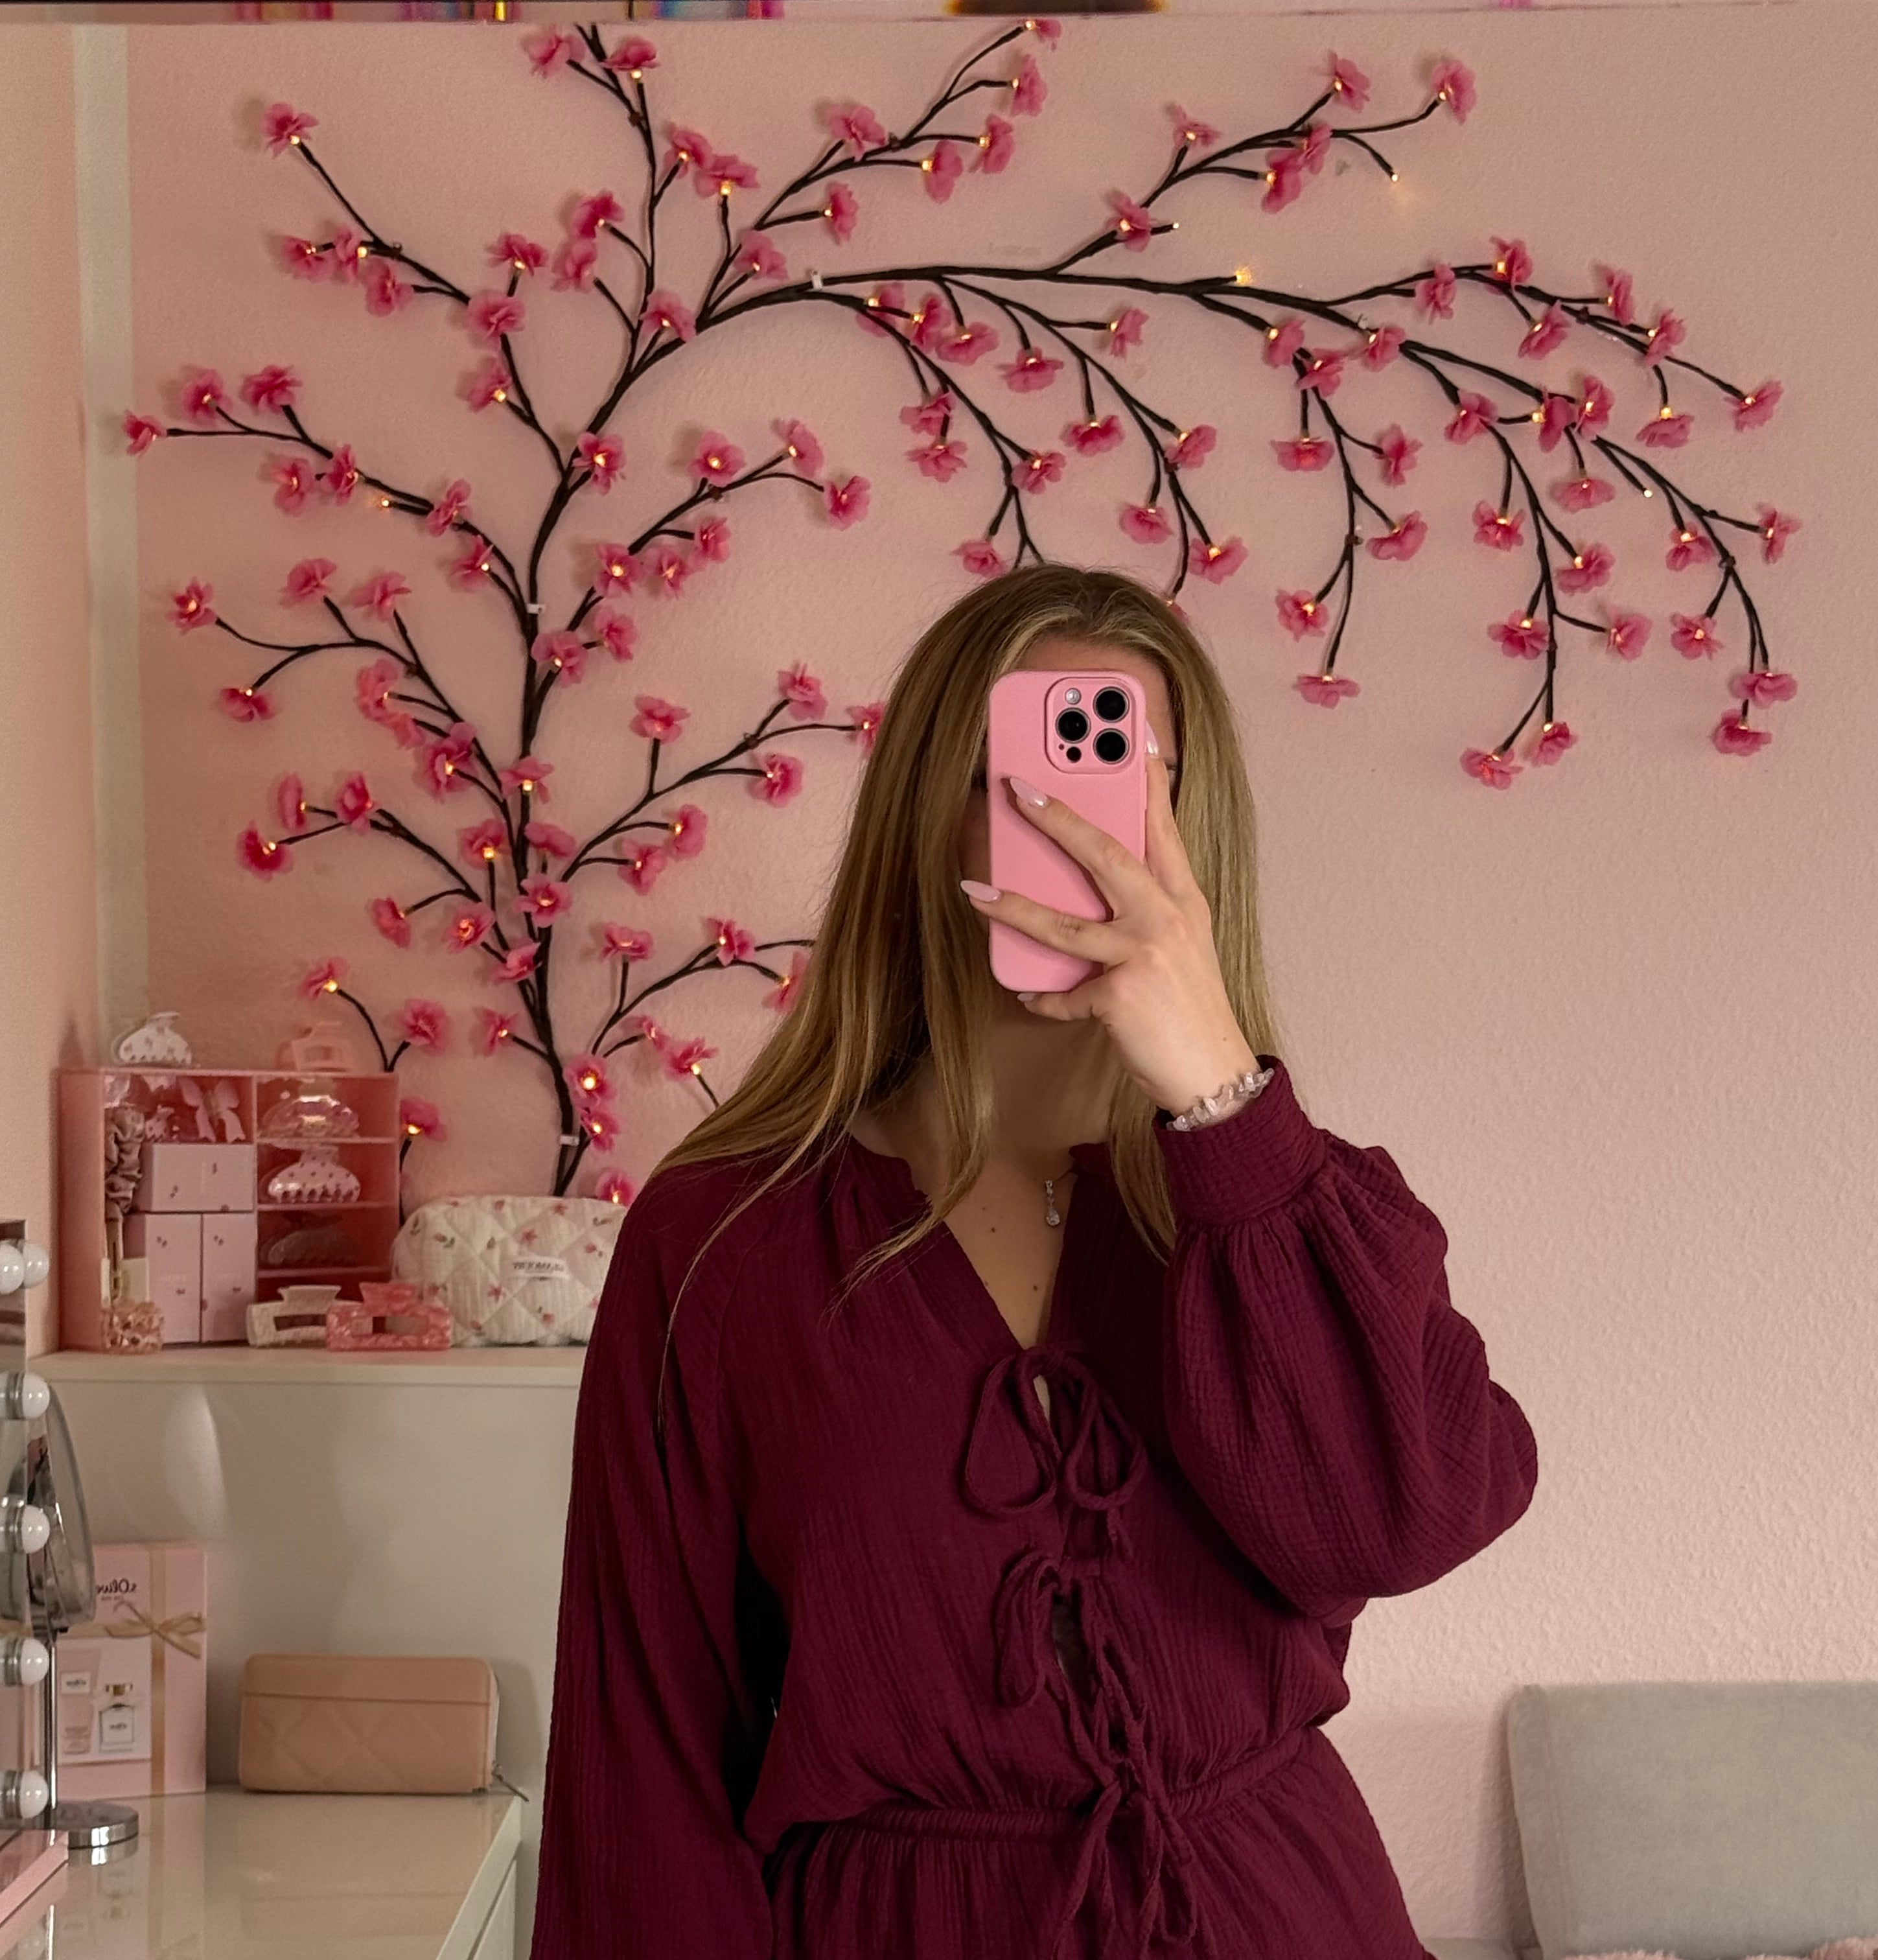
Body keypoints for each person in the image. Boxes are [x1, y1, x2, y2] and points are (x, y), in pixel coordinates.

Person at [529, 563, 1539, 1960]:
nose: (1067, 821)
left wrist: (1223, 1099)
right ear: (924, 813)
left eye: (1119, 773)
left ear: (1193, 825)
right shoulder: (724, 1241)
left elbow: (1397, 1521)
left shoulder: (1293, 1213)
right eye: (1015, 774)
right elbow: (644, 1767)